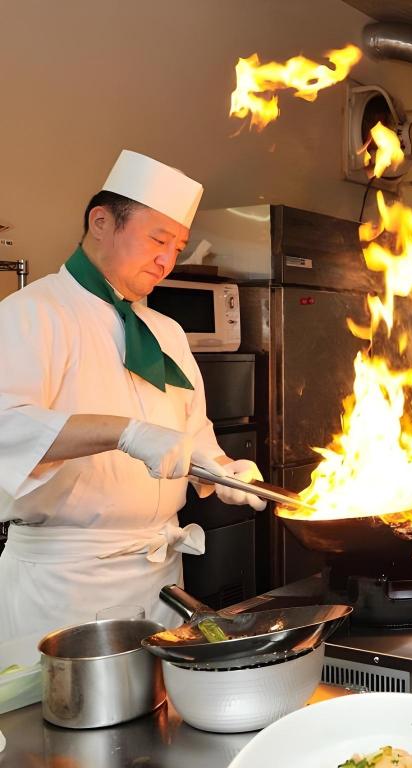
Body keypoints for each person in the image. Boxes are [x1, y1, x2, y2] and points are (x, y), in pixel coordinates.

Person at [0, 149, 267, 642]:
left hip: (161, 578)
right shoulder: (30, 314)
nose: (167, 260)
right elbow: (7, 428)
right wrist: (123, 432)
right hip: (65, 586)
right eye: (158, 239)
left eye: (178, 247)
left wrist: (224, 470)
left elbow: (192, 434)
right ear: (101, 223)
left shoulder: (166, 332)